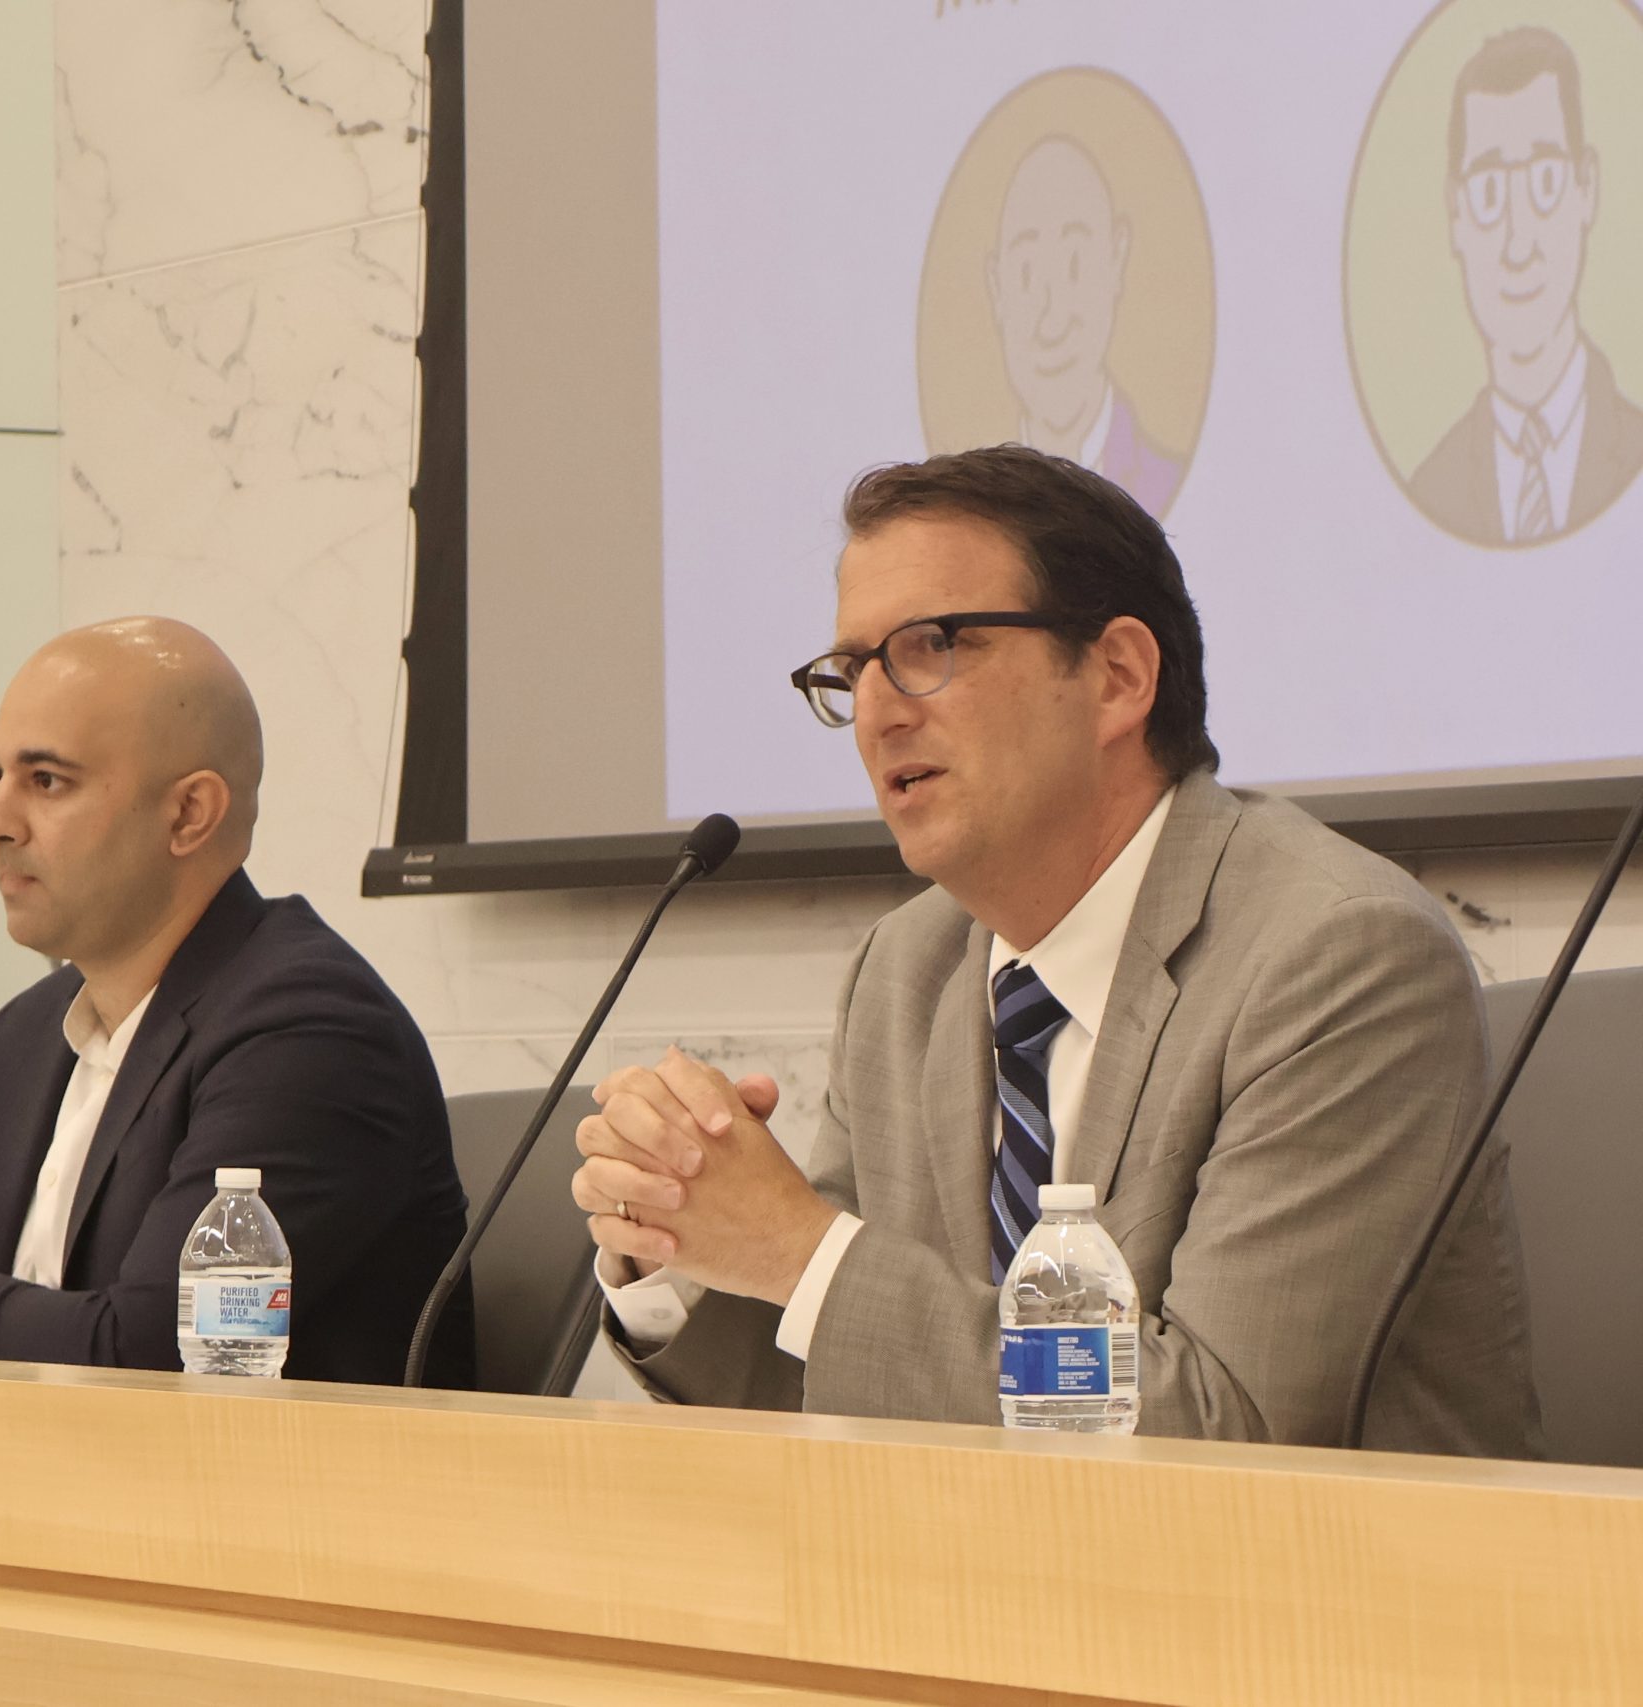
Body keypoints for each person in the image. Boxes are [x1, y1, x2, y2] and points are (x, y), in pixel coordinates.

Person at [574, 445, 1540, 1455]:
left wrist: (798, 1249)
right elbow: (851, 1375)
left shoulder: (1338, 957)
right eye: (854, 671)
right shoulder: (905, 972)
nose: (877, 713)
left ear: (1118, 677)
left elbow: (1223, 1425)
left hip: (1310, 1558)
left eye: (929, 646)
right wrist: (680, 1243)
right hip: (967, 1554)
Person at [0, 618, 470, 1384]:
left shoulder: (311, 1031)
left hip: (250, 1465)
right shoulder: (22, 1039)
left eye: (46, 781)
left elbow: (153, 1355)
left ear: (188, 814)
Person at [1409, 26, 1643, 546]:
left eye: (1545, 182)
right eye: (1489, 191)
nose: (1518, 244)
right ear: (1455, 214)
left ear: (1587, 188)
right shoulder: (1431, 486)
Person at [986, 135, 1184, 517]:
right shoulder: (970, 516)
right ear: (996, 287)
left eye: (1075, 264)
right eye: (1026, 272)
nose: (1052, 319)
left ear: (1116, 259)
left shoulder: (1160, 473)